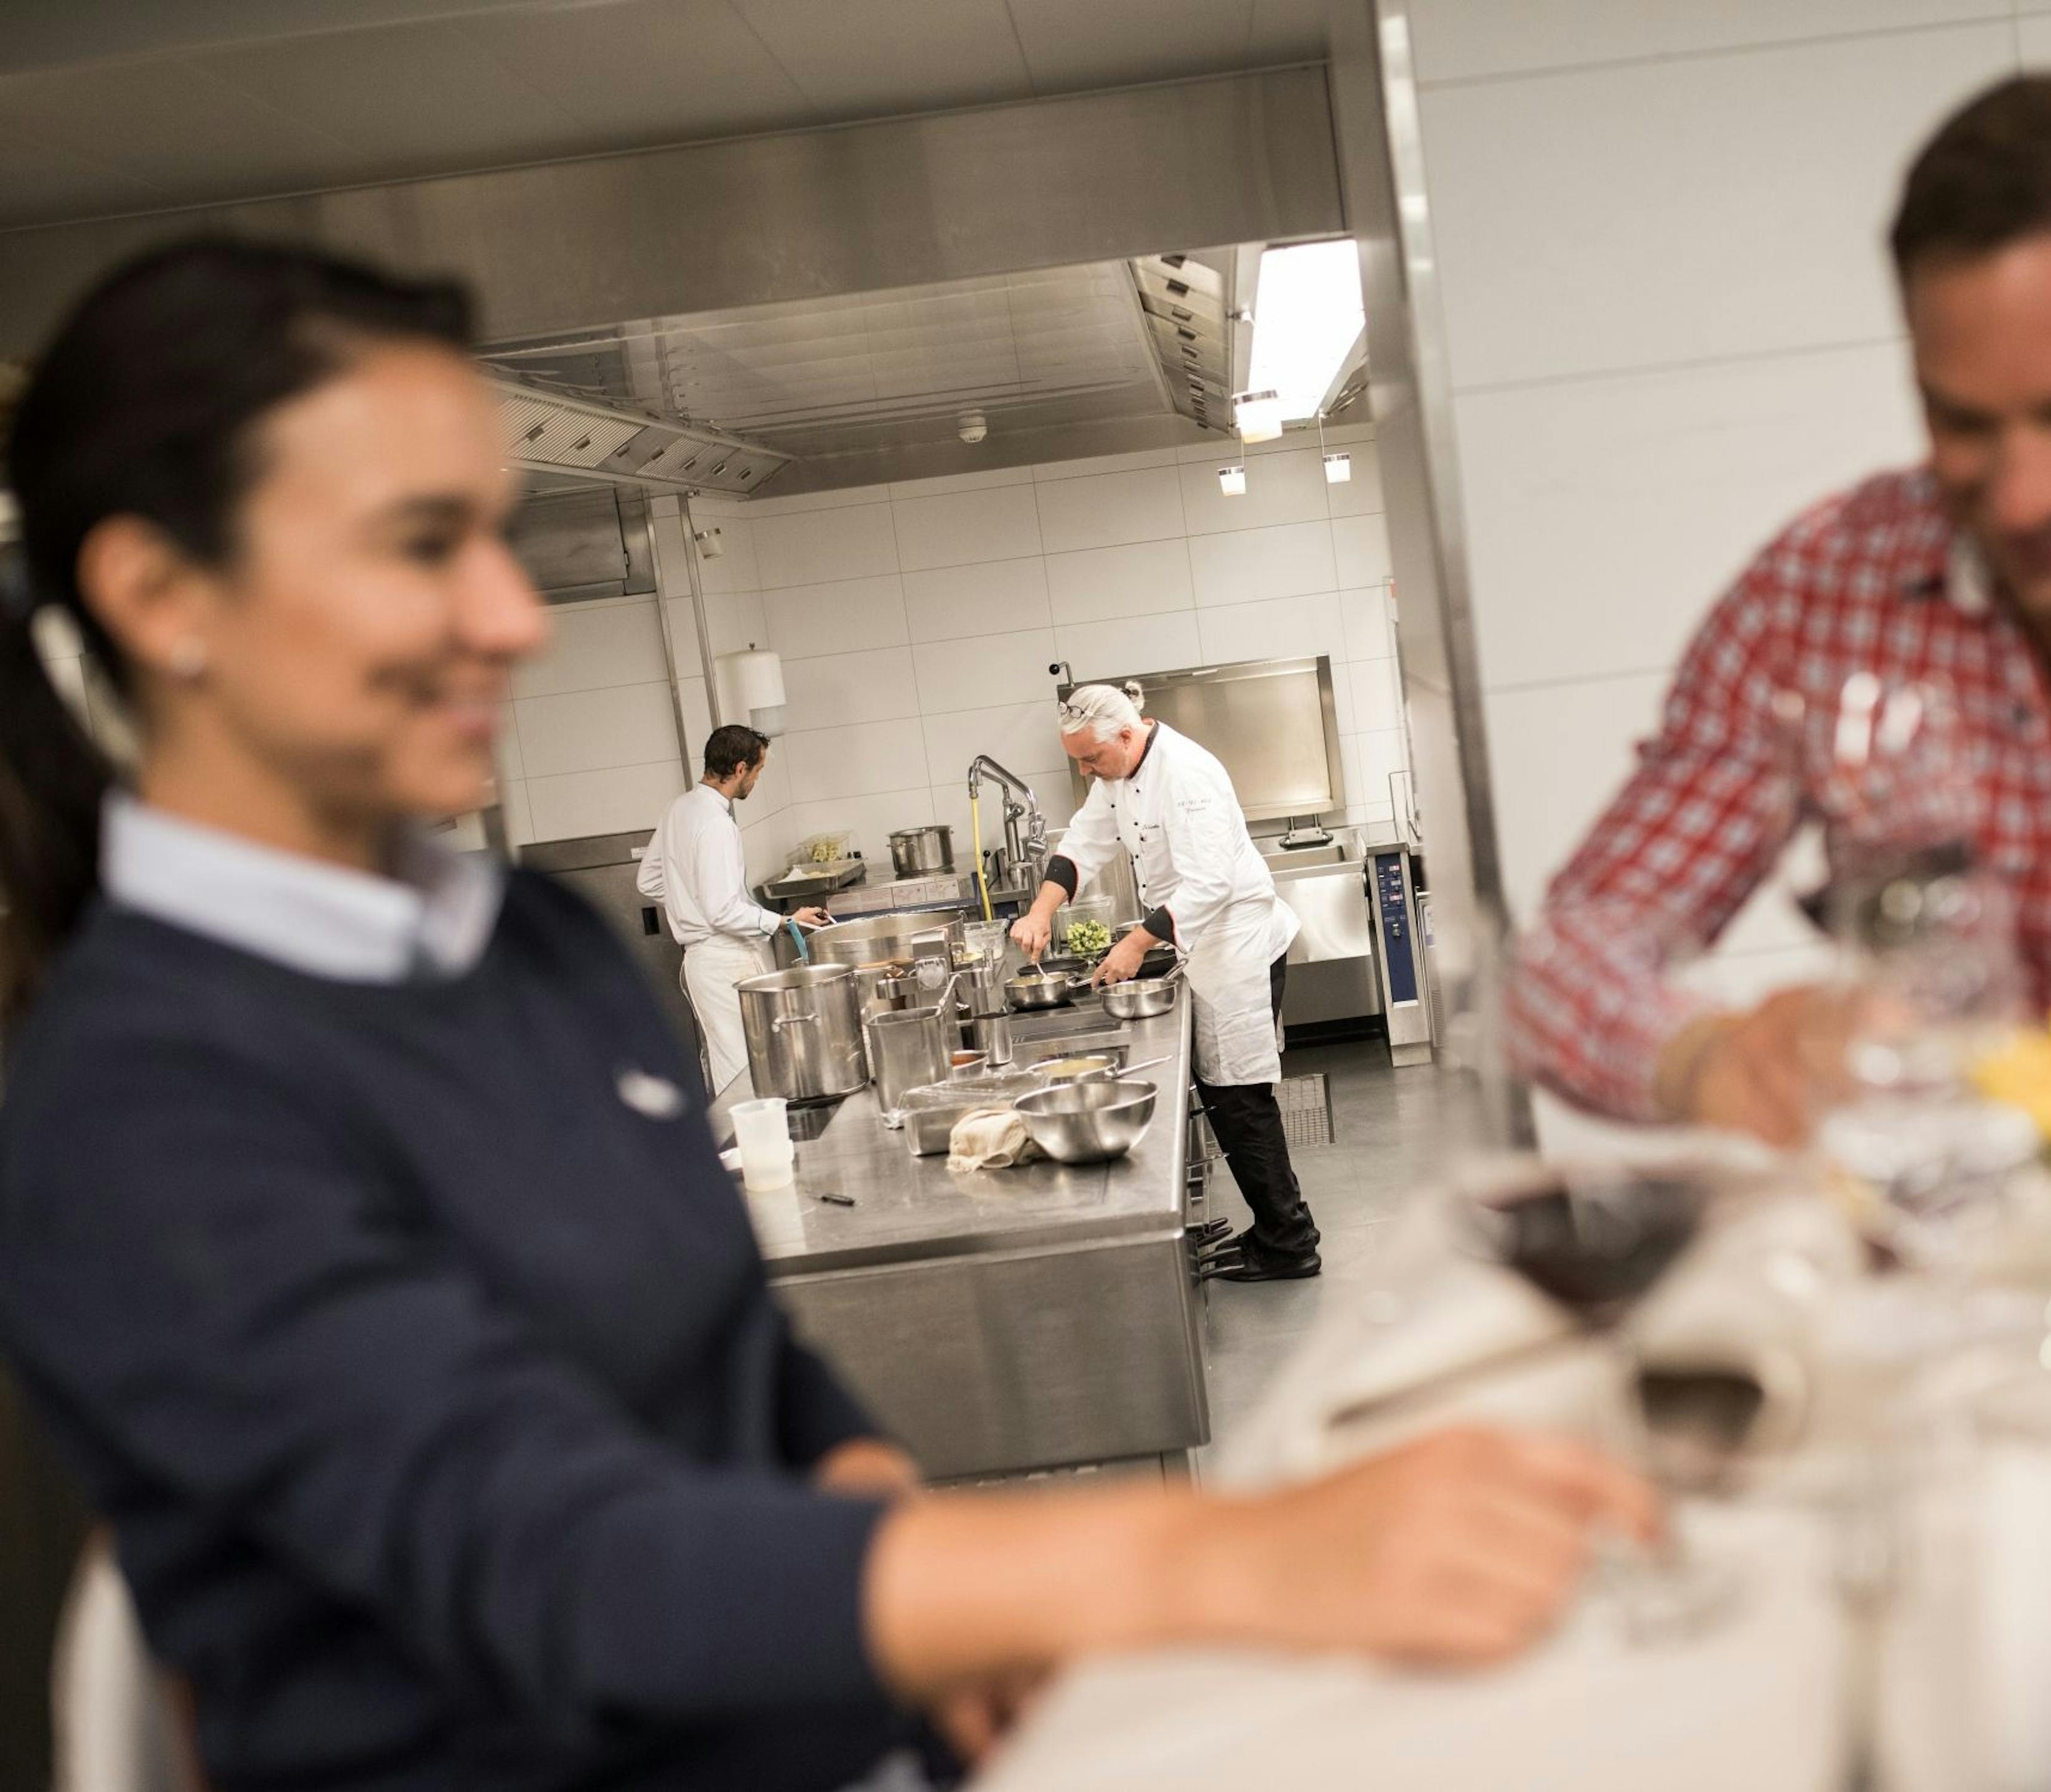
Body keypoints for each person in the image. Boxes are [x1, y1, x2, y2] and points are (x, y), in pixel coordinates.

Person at [0, 238, 1652, 1792]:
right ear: (161, 593)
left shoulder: (523, 948)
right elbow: (562, 1563)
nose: (510, 616)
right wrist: (1209, 1554)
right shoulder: (137, 1109)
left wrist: (904, 1545)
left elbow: (738, 1356)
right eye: (423, 545)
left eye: (499, 537)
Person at [1509, 70, 2051, 1147]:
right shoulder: (1818, 592)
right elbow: (1574, 947)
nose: (2023, 499)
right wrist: (1708, 1059)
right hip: (1961, 1252)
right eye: (1962, 421)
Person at [1010, 683, 1323, 1282]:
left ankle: (1290, 1244)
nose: (1084, 770)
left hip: (1236, 947)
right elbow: (1082, 845)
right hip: (1202, 946)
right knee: (1226, 1098)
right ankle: (1278, 1230)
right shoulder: (1119, 774)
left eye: (1090, 758)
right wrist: (1041, 911)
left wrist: (1134, 943)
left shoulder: (1187, 774)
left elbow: (1210, 884)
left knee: (1241, 1098)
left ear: (1127, 735)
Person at [638, 723, 825, 1093]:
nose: (756, 781)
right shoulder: (716, 825)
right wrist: (785, 921)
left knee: (733, 1061)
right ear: (740, 769)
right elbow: (723, 912)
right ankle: (748, 1147)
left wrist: (690, 902)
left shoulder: (680, 808)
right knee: (746, 1070)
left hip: (704, 961)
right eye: (757, 772)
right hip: (724, 961)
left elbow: (648, 880)